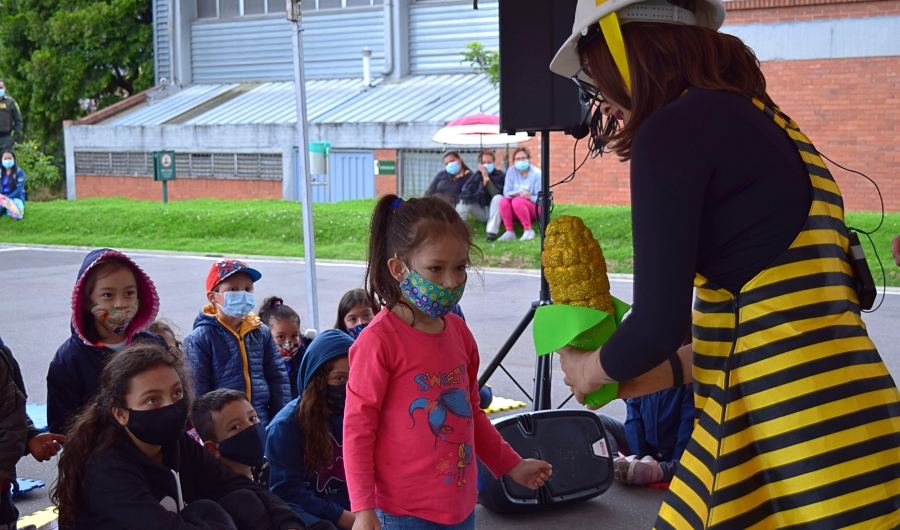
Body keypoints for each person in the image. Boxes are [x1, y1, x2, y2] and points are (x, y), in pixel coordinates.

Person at [550, 0, 900, 527]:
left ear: (629, 52)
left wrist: (588, 366)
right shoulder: (770, 122)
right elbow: (763, 322)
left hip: (780, 440)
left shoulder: (672, 130)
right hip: (860, 427)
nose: (603, 100)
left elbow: (656, 325)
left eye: (596, 76)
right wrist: (638, 379)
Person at [344, 194, 552, 530]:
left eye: (459, 267)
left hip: (461, 505)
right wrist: (363, 507)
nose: (452, 282)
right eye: (436, 269)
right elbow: (357, 431)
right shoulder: (378, 341)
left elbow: (470, 411)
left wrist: (511, 464)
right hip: (402, 514)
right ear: (399, 269)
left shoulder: (459, 332)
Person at [50, 341, 306, 530]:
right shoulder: (106, 467)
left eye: (176, 393)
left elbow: (235, 484)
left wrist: (288, 522)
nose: (170, 406)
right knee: (208, 513)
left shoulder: (176, 443)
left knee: (241, 501)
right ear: (121, 414)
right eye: (152, 400)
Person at [47, 248, 165, 435]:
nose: (120, 304)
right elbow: (62, 428)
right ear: (86, 301)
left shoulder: (155, 346)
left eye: (129, 293)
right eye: (108, 295)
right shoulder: (69, 360)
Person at [182, 259, 290, 426]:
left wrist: (280, 422)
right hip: (225, 427)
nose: (243, 294)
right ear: (213, 297)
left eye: (248, 289)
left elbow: (278, 379)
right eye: (233, 289)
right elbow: (198, 393)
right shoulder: (199, 339)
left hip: (262, 422)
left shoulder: (262, 333)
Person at [267, 330, 357, 530]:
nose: (349, 387)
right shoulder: (286, 426)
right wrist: (343, 517)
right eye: (340, 379)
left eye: (355, 377)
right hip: (310, 515)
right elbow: (285, 491)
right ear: (317, 381)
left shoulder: (355, 415)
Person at [192, 389, 270, 487]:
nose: (251, 427)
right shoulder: (213, 486)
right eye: (235, 427)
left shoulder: (262, 466)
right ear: (213, 448)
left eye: (252, 418)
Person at [258, 297, 314, 400]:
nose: (289, 344)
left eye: (294, 336)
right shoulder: (260, 362)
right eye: (281, 337)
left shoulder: (308, 357)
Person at [457, 149, 506, 242]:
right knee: (464, 201)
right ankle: (457, 231)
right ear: (480, 164)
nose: (486, 164)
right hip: (481, 211)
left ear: (493, 162)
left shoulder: (499, 175)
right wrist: (480, 188)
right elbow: (465, 193)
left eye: (489, 162)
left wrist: (486, 178)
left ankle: (491, 233)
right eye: (484, 162)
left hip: (496, 211)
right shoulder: (475, 176)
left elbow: (497, 193)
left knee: (498, 198)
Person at [497, 147, 542, 242]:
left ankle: (528, 230)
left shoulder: (537, 173)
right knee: (504, 201)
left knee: (517, 201)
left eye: (523, 158)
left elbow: (541, 200)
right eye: (518, 159)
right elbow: (506, 193)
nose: (521, 161)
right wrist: (517, 194)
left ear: (529, 159)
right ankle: (509, 231)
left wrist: (529, 197)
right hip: (515, 206)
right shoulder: (511, 171)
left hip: (535, 208)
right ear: (513, 161)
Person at [0, 150, 25, 220]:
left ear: (14, 159)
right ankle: (5, 207)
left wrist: (7, 197)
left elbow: (19, 190)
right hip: (1, 197)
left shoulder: (19, 172)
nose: (7, 160)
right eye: (5, 158)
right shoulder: (0, 172)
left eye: (9, 158)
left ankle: (7, 207)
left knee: (18, 215)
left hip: (15, 197)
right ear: (1, 160)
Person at [0, 81, 23, 152]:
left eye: (1, 88)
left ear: (5, 88)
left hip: (6, 138)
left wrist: (15, 137)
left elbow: (18, 121)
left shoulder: (11, 102)